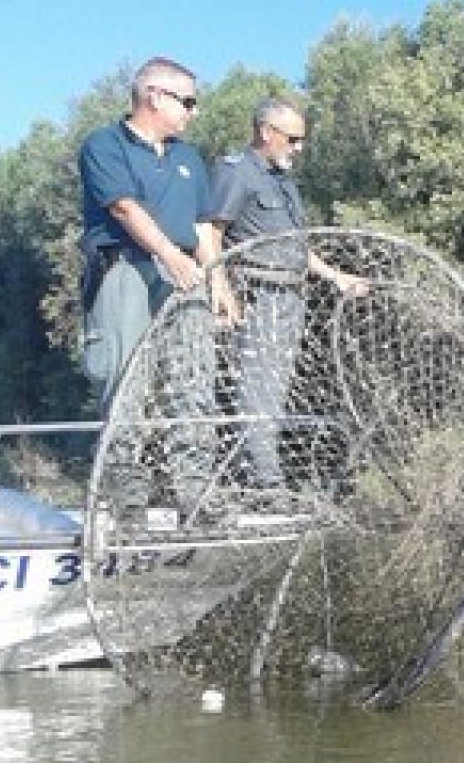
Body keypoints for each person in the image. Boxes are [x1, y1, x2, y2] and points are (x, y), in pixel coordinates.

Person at [206, 98, 366, 491]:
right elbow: (211, 232)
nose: (299, 148)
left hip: (291, 296)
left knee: (275, 388)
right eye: (292, 139)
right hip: (257, 292)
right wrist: (220, 288)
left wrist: (336, 277)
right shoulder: (237, 172)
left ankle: (264, 475)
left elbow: (294, 246)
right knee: (256, 387)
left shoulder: (283, 182)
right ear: (266, 132)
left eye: (301, 140)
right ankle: (262, 481)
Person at [78, 57, 217, 409]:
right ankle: (122, 448)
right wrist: (169, 256)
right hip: (126, 270)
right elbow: (123, 207)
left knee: (194, 384)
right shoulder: (104, 144)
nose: (194, 112)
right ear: (155, 97)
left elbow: (202, 225)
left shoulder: (188, 156)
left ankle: (193, 448)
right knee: (127, 386)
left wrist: (218, 280)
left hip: (187, 274)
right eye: (188, 102)